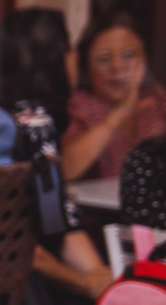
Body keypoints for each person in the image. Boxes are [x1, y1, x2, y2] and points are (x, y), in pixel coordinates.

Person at [0, 8, 111, 305]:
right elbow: (46, 231)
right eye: (68, 48)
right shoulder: (36, 124)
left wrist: (100, 278)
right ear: (52, 58)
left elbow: (56, 219)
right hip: (22, 291)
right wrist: (93, 283)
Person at [60, 11, 166, 181]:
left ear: (145, 61)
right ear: (87, 69)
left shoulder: (155, 96)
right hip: (99, 207)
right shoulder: (80, 106)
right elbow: (65, 169)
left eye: (128, 55)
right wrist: (121, 110)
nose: (117, 66)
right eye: (103, 59)